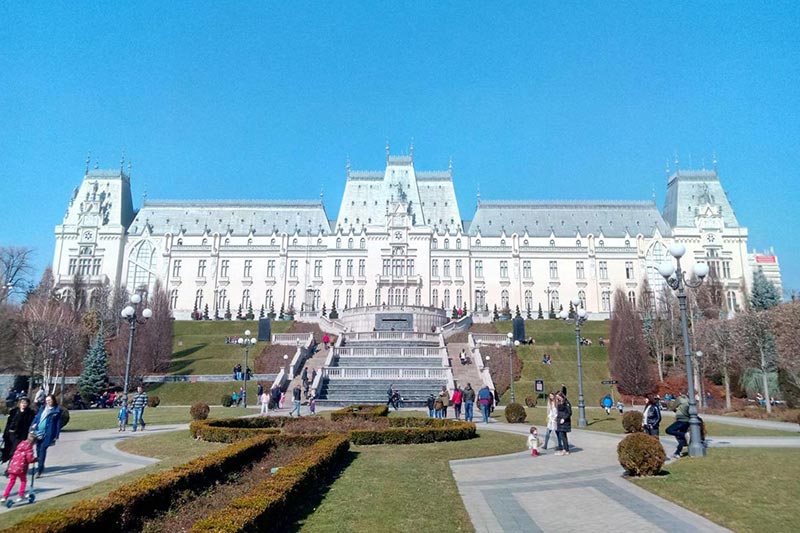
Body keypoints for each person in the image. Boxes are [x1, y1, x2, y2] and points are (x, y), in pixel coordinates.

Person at [30, 394, 62, 477]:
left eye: (50, 400)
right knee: (38, 449)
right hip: (38, 432)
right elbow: (37, 418)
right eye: (47, 400)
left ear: (53, 400)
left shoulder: (57, 411)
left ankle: (39, 470)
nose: (48, 402)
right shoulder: (42, 408)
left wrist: (56, 435)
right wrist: (33, 425)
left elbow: (58, 424)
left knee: (42, 449)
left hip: (48, 433)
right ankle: (41, 465)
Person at [1, 433, 37, 504]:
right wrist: (35, 459)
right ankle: (21, 495)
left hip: (12, 466)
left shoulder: (20, 445)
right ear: (33, 442)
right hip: (21, 468)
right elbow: (30, 459)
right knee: (23, 481)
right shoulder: (29, 448)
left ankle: (5, 496)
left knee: (11, 482)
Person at [2, 396, 35, 473]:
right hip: (10, 434)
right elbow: (8, 423)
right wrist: (5, 434)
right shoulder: (14, 411)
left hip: (20, 436)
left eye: (25, 403)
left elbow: (29, 425)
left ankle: (9, 469)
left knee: (14, 451)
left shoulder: (29, 414)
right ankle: (7, 462)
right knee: (7, 451)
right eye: (22, 403)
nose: (23, 404)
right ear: (19, 403)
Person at [555, 392, 572, 456]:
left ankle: (566, 450)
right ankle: (565, 449)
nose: (557, 398)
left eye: (558, 397)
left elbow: (569, 412)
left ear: (561, 396)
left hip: (564, 421)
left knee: (563, 435)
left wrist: (564, 419)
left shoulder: (566, 402)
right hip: (559, 420)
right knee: (563, 435)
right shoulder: (559, 402)